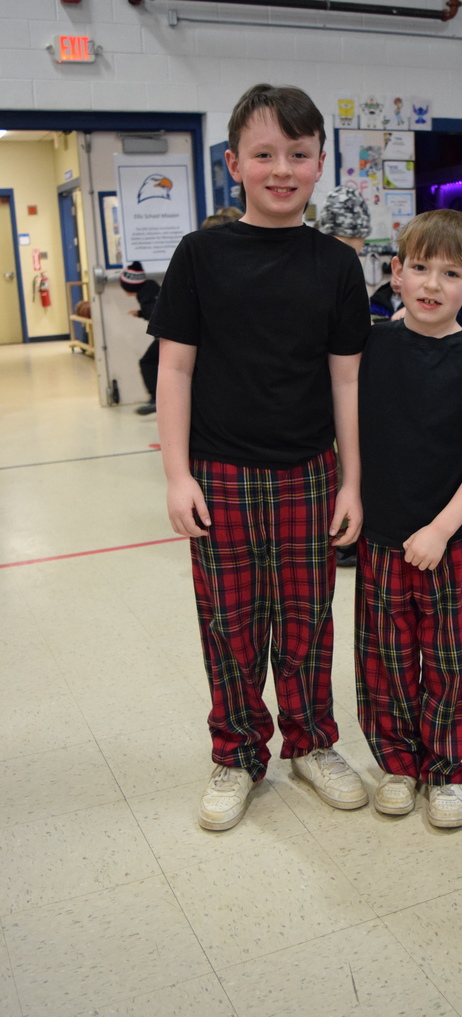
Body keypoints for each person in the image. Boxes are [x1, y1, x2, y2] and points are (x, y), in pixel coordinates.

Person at [148, 83, 371, 831]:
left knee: (308, 623)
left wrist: (352, 480)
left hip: (309, 474)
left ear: (318, 165)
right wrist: (177, 474)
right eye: (264, 153)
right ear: (234, 163)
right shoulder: (201, 254)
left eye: (298, 154)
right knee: (230, 626)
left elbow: (346, 378)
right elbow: (173, 368)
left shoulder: (337, 267)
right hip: (220, 474)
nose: (282, 168)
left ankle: (311, 743)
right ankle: (238, 751)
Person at [355, 209, 462, 828]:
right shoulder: (373, 346)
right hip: (381, 537)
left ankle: (443, 771)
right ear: (396, 273)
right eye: (419, 267)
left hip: (448, 542)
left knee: (450, 658)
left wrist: (443, 528)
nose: (430, 284)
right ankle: (397, 764)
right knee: (385, 655)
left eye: (450, 273)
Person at [318, 184, 372, 569]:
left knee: (352, 463)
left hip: (347, 385)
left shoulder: (346, 270)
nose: (348, 256)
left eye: (355, 247)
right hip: (319, 397)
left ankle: (348, 532)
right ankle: (340, 538)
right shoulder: (316, 267)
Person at [119, 262, 161, 415]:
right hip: (170, 333)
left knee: (147, 362)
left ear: (130, 286)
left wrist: (144, 313)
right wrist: (140, 313)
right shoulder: (150, 286)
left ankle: (156, 399)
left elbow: (155, 313)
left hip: (166, 335)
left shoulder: (144, 294)